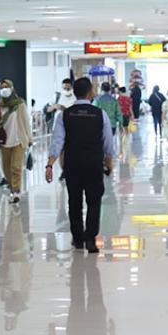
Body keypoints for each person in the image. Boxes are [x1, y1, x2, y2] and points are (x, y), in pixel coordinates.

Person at [46, 77, 114, 253]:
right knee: (94, 201)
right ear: (90, 92)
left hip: (73, 164)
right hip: (93, 164)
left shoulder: (64, 115)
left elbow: (57, 142)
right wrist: (109, 162)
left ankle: (77, 239)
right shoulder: (100, 114)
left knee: (74, 201)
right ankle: (90, 239)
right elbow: (108, 142)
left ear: (75, 92)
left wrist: (50, 164)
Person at [0, 79, 32, 203]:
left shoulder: (20, 104)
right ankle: (12, 188)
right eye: (2, 87)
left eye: (6, 86)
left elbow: (26, 121)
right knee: (6, 168)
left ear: (12, 88)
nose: (4, 89)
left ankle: (16, 191)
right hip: (3, 141)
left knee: (16, 167)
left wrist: (30, 138)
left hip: (19, 140)